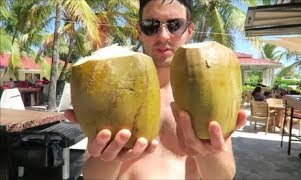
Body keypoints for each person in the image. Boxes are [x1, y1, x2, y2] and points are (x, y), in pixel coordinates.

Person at [65, 0, 246, 179]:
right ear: (139, 31)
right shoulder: (113, 90)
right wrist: (111, 158)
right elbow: (93, 176)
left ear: (189, 30)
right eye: (151, 25)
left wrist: (208, 151)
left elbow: (221, 177)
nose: (163, 36)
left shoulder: (205, 93)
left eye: (175, 25)